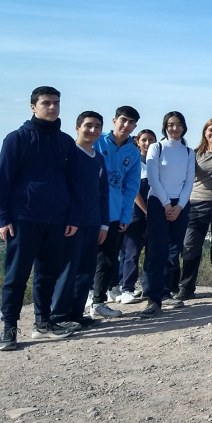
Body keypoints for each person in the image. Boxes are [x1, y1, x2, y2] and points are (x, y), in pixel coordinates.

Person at [0, 86, 83, 350]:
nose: (52, 107)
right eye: (46, 103)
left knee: (47, 274)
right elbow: (2, 181)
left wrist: (73, 217)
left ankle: (43, 323)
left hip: (57, 220)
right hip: (24, 218)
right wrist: (2, 218)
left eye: (56, 103)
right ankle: (9, 327)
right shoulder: (17, 139)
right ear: (33, 107)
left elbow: (74, 183)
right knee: (16, 275)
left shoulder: (65, 141)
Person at [51, 111, 110, 329]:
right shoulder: (68, 154)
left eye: (97, 126)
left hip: (93, 222)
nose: (93, 130)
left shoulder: (99, 158)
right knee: (68, 269)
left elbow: (103, 193)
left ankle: (76, 313)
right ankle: (58, 315)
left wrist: (104, 224)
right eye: (88, 125)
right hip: (71, 223)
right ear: (77, 128)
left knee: (86, 269)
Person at [142, 111, 196, 317]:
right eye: (171, 125)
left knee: (174, 252)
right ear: (165, 126)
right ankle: (153, 299)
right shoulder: (156, 148)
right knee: (157, 251)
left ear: (184, 127)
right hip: (158, 202)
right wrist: (166, 205)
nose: (175, 128)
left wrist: (180, 206)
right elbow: (153, 178)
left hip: (180, 205)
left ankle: (167, 291)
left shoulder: (189, 152)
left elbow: (188, 181)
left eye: (179, 124)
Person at [91, 105, 139, 316]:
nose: (126, 125)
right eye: (123, 120)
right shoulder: (97, 141)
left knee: (108, 260)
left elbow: (131, 187)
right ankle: (78, 301)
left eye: (131, 122)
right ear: (114, 120)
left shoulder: (133, 152)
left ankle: (98, 302)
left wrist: (125, 215)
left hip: (114, 213)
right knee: (83, 259)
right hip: (89, 211)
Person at [177, 118, 212, 300]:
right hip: (196, 203)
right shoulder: (194, 153)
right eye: (211, 130)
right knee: (190, 246)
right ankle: (186, 287)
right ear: (205, 132)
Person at [117, 129, 155, 304]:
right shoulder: (134, 162)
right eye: (144, 140)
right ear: (137, 141)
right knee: (131, 253)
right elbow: (133, 191)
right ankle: (127, 289)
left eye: (151, 140)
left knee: (151, 254)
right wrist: (146, 210)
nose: (147, 144)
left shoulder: (156, 163)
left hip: (154, 215)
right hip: (136, 214)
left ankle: (148, 288)